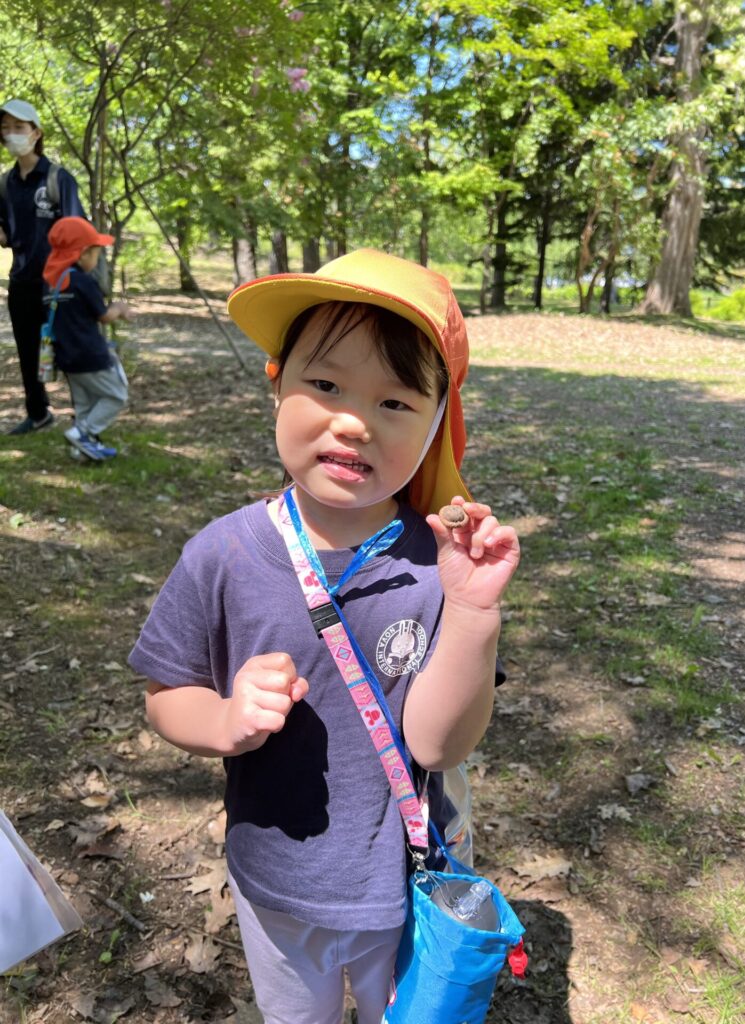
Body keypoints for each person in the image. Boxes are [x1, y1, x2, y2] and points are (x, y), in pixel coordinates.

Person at [128, 249, 521, 1024]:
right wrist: (223, 719)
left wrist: (475, 613)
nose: (354, 421)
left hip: (401, 885)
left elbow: (438, 745)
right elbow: (166, 694)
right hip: (275, 884)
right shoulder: (223, 554)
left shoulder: (436, 565)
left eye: (395, 401)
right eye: (328, 385)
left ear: (437, 425)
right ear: (276, 383)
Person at [0, 98, 86, 435]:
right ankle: (38, 414)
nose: (11, 134)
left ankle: (85, 418)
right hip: (22, 280)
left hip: (59, 282)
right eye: (5, 128)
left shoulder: (58, 178)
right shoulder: (5, 183)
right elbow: (6, 234)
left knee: (69, 350)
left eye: (18, 127)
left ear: (36, 133)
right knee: (28, 352)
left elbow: (78, 231)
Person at [42, 216, 133, 461]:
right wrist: (119, 308)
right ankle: (82, 433)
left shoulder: (51, 283)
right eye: (95, 254)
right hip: (91, 354)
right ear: (82, 254)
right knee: (116, 395)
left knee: (84, 404)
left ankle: (81, 451)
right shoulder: (82, 281)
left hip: (66, 357)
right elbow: (103, 316)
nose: (96, 259)